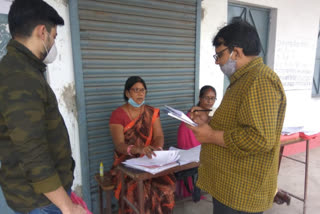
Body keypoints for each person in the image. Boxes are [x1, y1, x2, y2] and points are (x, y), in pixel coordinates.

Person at [187, 20, 287, 214]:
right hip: (230, 187)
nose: (217, 61)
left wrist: (210, 136)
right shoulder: (243, 80)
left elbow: (260, 138)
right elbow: (239, 123)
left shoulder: (261, 80)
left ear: (237, 52)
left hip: (241, 193)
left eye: (220, 55)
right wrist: (208, 122)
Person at [0, 0, 86, 213]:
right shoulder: (20, 76)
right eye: (54, 37)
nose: (54, 43)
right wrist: (67, 206)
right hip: (40, 202)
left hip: (44, 197)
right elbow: (31, 149)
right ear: (42, 32)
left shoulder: (23, 69)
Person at [109, 76, 176, 214]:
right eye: (136, 90)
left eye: (143, 90)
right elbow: (119, 144)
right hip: (127, 163)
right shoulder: (117, 115)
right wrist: (137, 149)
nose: (140, 93)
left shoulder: (151, 112)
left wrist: (157, 149)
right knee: (141, 195)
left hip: (149, 159)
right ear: (127, 93)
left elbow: (159, 136)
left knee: (167, 187)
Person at [175, 85, 217, 200]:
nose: (209, 101)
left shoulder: (209, 112)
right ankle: (195, 187)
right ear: (200, 98)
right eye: (206, 98)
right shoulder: (194, 113)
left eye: (212, 98)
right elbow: (191, 135)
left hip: (199, 143)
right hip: (190, 144)